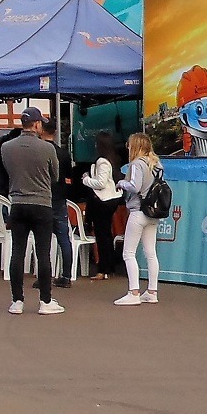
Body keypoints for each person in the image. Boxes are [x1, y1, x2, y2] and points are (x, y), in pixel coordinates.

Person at [1, 108, 63, 315]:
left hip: (18, 203)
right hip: (42, 204)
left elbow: (8, 171)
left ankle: (17, 300)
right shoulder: (47, 148)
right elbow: (55, 176)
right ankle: (45, 301)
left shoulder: (7, 148)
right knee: (43, 253)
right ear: (37, 124)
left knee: (17, 251)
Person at [114, 132, 163, 306]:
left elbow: (134, 186)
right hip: (153, 213)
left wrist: (121, 183)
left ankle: (133, 292)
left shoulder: (136, 164)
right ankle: (152, 291)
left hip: (138, 211)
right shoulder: (156, 165)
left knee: (128, 253)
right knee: (151, 253)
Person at [81, 131, 123, 280]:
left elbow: (100, 183)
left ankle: (103, 269)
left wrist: (85, 179)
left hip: (103, 200)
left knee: (102, 235)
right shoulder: (113, 159)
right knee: (106, 234)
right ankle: (108, 268)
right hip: (112, 199)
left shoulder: (102, 161)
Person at [40, 119, 75, 288]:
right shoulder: (63, 153)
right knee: (63, 237)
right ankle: (67, 276)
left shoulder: (39, 151)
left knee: (43, 238)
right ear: (55, 132)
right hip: (59, 197)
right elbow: (69, 177)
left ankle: (43, 277)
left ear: (41, 130)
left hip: (42, 197)